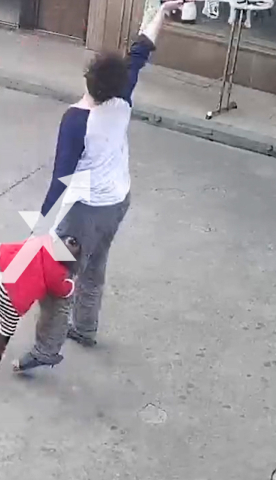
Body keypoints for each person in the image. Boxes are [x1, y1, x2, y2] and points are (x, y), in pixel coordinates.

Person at [13, 0, 184, 372]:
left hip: (86, 212)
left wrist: (37, 234)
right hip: (118, 202)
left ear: (87, 80)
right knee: (95, 266)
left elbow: (61, 182)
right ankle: (86, 328)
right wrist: (162, 13)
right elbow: (142, 47)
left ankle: (45, 351)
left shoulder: (76, 121)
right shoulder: (123, 99)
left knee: (60, 284)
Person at [0, 235, 80, 371]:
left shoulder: (39, 243)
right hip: (15, 302)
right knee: (6, 328)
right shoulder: (57, 270)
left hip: (4, 286)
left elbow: (13, 249)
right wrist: (70, 286)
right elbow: (59, 289)